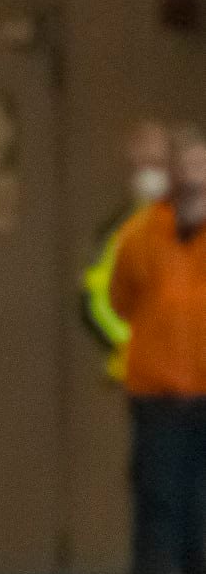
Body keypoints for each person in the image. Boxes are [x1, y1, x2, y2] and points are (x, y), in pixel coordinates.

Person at [110, 123, 206, 574]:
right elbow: (119, 298)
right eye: (186, 167)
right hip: (158, 390)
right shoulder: (144, 233)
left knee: (201, 503)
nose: (194, 178)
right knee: (157, 498)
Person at [85, 122, 173, 385]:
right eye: (143, 163)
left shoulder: (194, 227)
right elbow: (96, 299)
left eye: (157, 163)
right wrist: (136, 343)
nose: (150, 173)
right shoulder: (120, 231)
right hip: (142, 375)